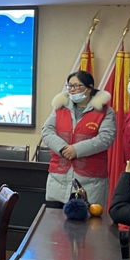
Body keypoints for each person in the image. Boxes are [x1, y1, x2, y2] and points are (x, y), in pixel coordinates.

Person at [40, 71, 116, 209]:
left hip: (90, 180)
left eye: (77, 86)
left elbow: (106, 138)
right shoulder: (60, 108)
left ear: (89, 88)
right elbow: (47, 131)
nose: (72, 90)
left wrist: (76, 150)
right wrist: (63, 148)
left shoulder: (105, 111)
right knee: (56, 220)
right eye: (70, 86)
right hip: (60, 178)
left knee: (88, 220)